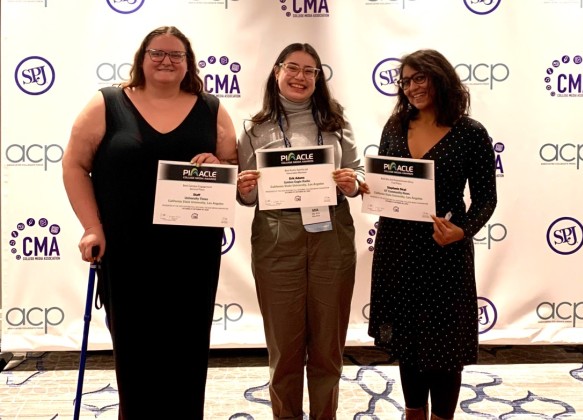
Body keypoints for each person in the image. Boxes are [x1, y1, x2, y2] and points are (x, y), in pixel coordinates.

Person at [62, 26, 237, 419]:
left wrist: (218, 165)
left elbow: (233, 166)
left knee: (187, 352)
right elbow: (74, 165)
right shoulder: (107, 103)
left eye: (176, 55)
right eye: (158, 53)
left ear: (188, 64)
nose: (166, 61)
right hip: (127, 253)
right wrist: (92, 227)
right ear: (142, 58)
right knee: (135, 353)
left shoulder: (210, 107)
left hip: (193, 255)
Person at [364, 49, 497, 420]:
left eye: (419, 78)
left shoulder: (471, 133)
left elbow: (486, 197)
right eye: (405, 81)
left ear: (440, 78)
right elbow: (386, 183)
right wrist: (369, 189)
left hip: (445, 253)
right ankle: (413, 413)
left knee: (443, 348)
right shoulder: (394, 126)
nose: (411, 87)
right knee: (407, 342)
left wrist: (463, 230)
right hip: (397, 248)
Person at [236, 42, 364, 420]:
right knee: (285, 349)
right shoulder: (254, 129)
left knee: (327, 347)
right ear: (276, 72)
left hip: (332, 230)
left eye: (310, 71)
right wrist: (245, 191)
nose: (301, 77)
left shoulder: (337, 122)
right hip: (277, 233)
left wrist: (351, 183)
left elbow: (357, 174)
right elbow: (247, 192)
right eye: (293, 67)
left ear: (318, 79)